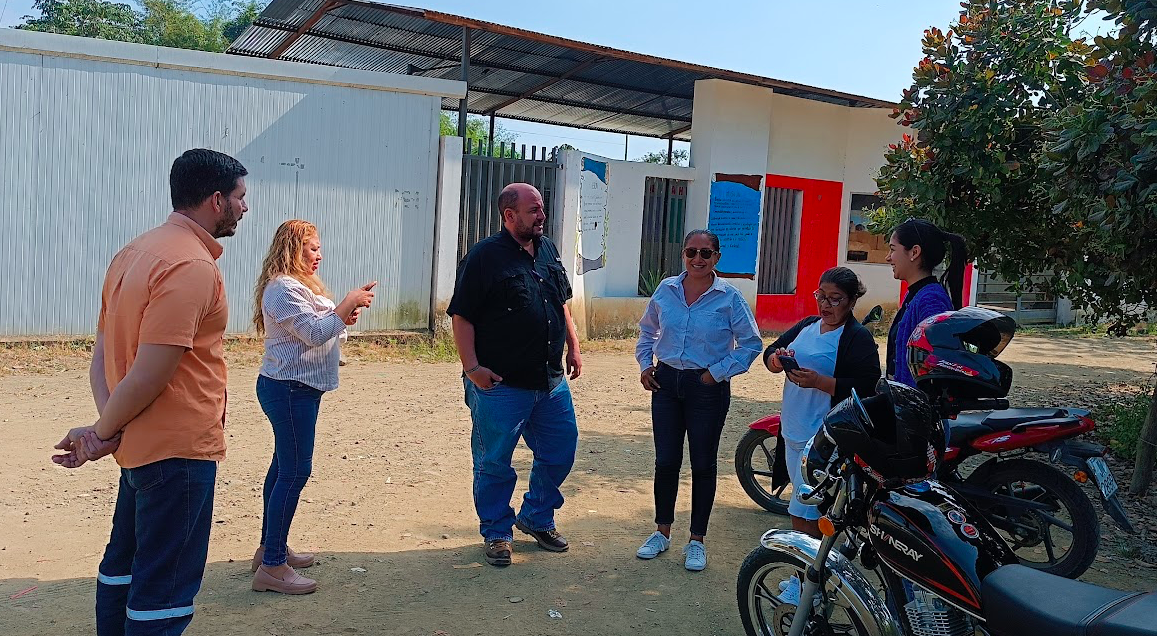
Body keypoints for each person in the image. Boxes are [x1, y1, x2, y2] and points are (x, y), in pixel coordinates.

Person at [50, 148, 249, 635]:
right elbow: (149, 374)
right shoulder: (191, 266)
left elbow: (102, 358)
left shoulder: (134, 253)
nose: (245, 207)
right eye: (241, 197)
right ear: (216, 200)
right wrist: (103, 432)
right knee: (164, 590)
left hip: (141, 449)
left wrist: (109, 431)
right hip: (177, 452)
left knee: (123, 566)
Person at [447, 182, 582, 567]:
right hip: (500, 384)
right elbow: (462, 316)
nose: (542, 216)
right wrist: (472, 368)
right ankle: (496, 532)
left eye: (541, 208)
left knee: (560, 450)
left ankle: (537, 516)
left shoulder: (547, 249)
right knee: (494, 461)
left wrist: (573, 346)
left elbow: (561, 302)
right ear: (509, 216)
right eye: (533, 210)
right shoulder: (484, 257)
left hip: (549, 381)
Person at [249, 220, 377, 594]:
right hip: (289, 390)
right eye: (312, 248)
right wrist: (347, 303)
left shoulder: (301, 285)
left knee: (282, 468)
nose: (319, 255)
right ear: (292, 248)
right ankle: (273, 567)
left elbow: (326, 327)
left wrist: (344, 315)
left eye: (319, 248)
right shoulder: (282, 289)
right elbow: (316, 332)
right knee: (294, 472)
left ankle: (270, 549)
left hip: (298, 389)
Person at [634, 229, 763, 572]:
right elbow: (647, 331)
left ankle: (696, 540)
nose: (698, 259)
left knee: (703, 463)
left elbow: (751, 344)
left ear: (717, 258)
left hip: (706, 387)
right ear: (683, 255)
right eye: (691, 252)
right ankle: (662, 532)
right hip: (666, 383)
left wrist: (715, 374)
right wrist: (646, 366)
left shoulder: (729, 298)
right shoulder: (666, 290)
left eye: (706, 253)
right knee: (666, 461)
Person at [763, 266, 880, 603]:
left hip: (825, 437)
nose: (826, 305)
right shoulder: (807, 326)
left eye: (835, 299)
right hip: (794, 428)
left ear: (852, 301)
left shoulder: (856, 337)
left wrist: (821, 383)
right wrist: (777, 361)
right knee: (800, 507)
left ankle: (809, 585)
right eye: (821, 296)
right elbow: (773, 351)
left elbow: (869, 385)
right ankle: (802, 575)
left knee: (810, 510)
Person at [885, 218, 968, 387]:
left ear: (914, 252)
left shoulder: (930, 300)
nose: (888, 257)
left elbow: (935, 366)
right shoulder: (916, 294)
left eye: (892, 249)